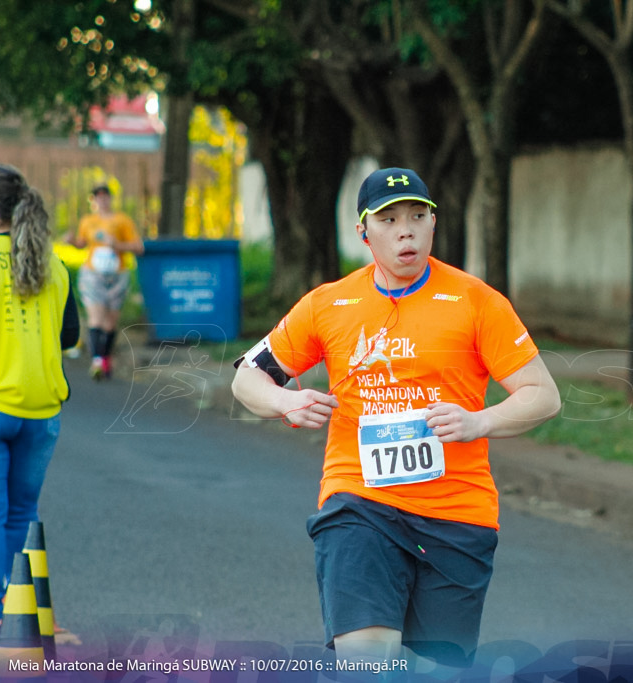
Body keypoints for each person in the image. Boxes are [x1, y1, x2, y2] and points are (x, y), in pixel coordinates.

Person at [232, 167, 561, 672]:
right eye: (387, 219)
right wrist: (286, 402)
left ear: (433, 225)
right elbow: (246, 378)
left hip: (457, 513)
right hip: (360, 502)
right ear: (364, 233)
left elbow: (542, 396)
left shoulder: (477, 302)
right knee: (366, 661)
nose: (404, 229)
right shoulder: (329, 304)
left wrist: (479, 421)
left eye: (416, 216)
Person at [0, 164, 80, 668]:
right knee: (20, 513)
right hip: (42, 412)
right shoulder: (53, 264)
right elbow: (70, 337)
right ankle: (24, 623)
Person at [68, 183, 144, 379]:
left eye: (105, 196)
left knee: (110, 321)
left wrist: (116, 244)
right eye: (97, 197)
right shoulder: (87, 221)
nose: (102, 200)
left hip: (117, 273)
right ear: (93, 201)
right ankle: (97, 361)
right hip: (93, 273)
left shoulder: (122, 220)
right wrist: (71, 241)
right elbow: (81, 243)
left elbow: (138, 247)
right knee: (96, 317)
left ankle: (105, 358)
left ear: (110, 198)